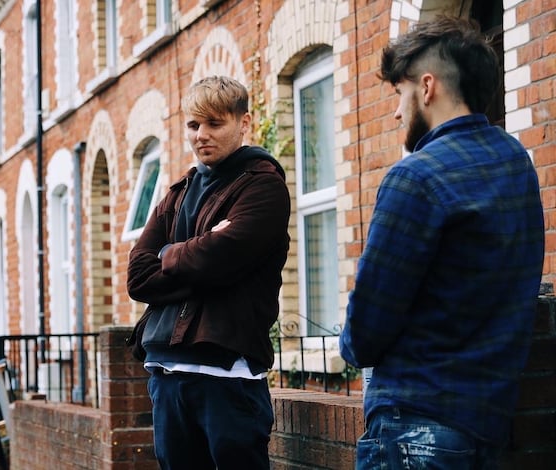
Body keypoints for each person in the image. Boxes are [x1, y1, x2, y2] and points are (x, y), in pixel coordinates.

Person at [339, 16, 545, 469]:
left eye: (400, 94)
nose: (396, 111)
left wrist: (350, 342)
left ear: (427, 87)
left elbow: (366, 333)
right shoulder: (516, 163)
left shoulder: (416, 176)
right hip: (487, 424)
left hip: (413, 425)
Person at [126, 75, 291, 470]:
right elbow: (137, 276)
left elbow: (220, 260)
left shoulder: (263, 187)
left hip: (228, 379)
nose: (201, 135)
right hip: (167, 377)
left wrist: (172, 254)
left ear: (244, 123)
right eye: (193, 125)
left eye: (214, 124)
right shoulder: (179, 191)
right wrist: (189, 252)